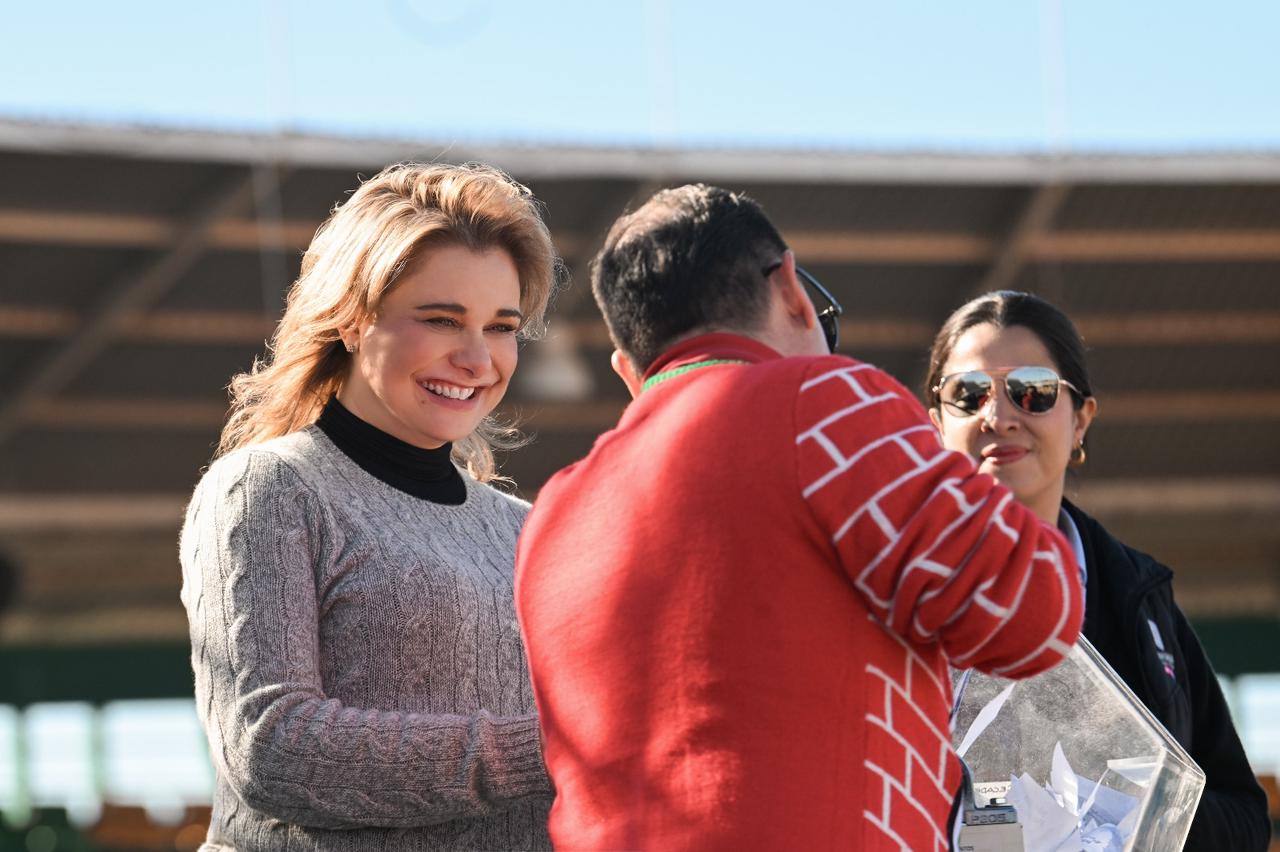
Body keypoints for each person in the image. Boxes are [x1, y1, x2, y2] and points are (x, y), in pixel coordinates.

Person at [514, 184, 1085, 851]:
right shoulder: (824, 401)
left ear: (627, 370)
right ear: (790, 289)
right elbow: (1034, 611)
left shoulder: (552, 513)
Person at [179, 162, 560, 851]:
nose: (478, 359)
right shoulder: (269, 490)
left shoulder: (528, 529)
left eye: (501, 327)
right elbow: (270, 746)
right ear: (353, 321)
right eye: (441, 320)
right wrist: (551, 750)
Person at [925, 290, 1271, 851]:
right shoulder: (883, 594)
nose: (998, 417)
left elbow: (1244, 820)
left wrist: (1131, 812)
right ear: (937, 422)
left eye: (1032, 391)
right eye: (969, 393)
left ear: (1081, 419)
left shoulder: (1140, 597)